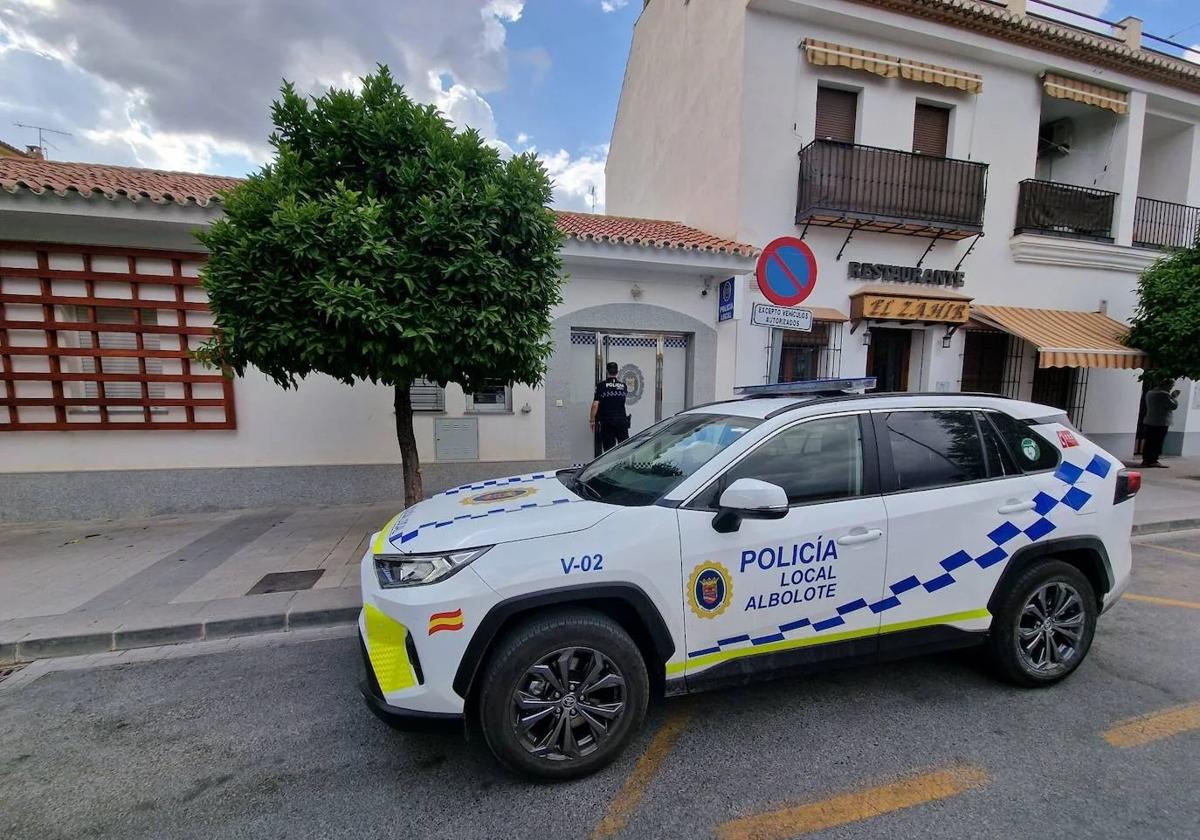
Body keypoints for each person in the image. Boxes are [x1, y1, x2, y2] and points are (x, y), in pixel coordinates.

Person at [591, 361, 629, 452]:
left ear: (607, 371)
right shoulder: (623, 386)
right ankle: (623, 465)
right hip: (621, 421)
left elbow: (595, 405)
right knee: (624, 448)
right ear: (617, 372)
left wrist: (592, 420)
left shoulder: (601, 386)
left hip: (607, 422)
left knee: (608, 450)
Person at [1141, 379, 1179, 468]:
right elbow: (1173, 406)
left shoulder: (1150, 393)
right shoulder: (1164, 395)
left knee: (1149, 441)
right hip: (1161, 422)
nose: (1171, 388)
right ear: (1167, 385)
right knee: (1157, 441)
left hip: (1150, 420)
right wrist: (1174, 397)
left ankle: (1146, 460)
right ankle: (1153, 460)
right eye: (1171, 385)